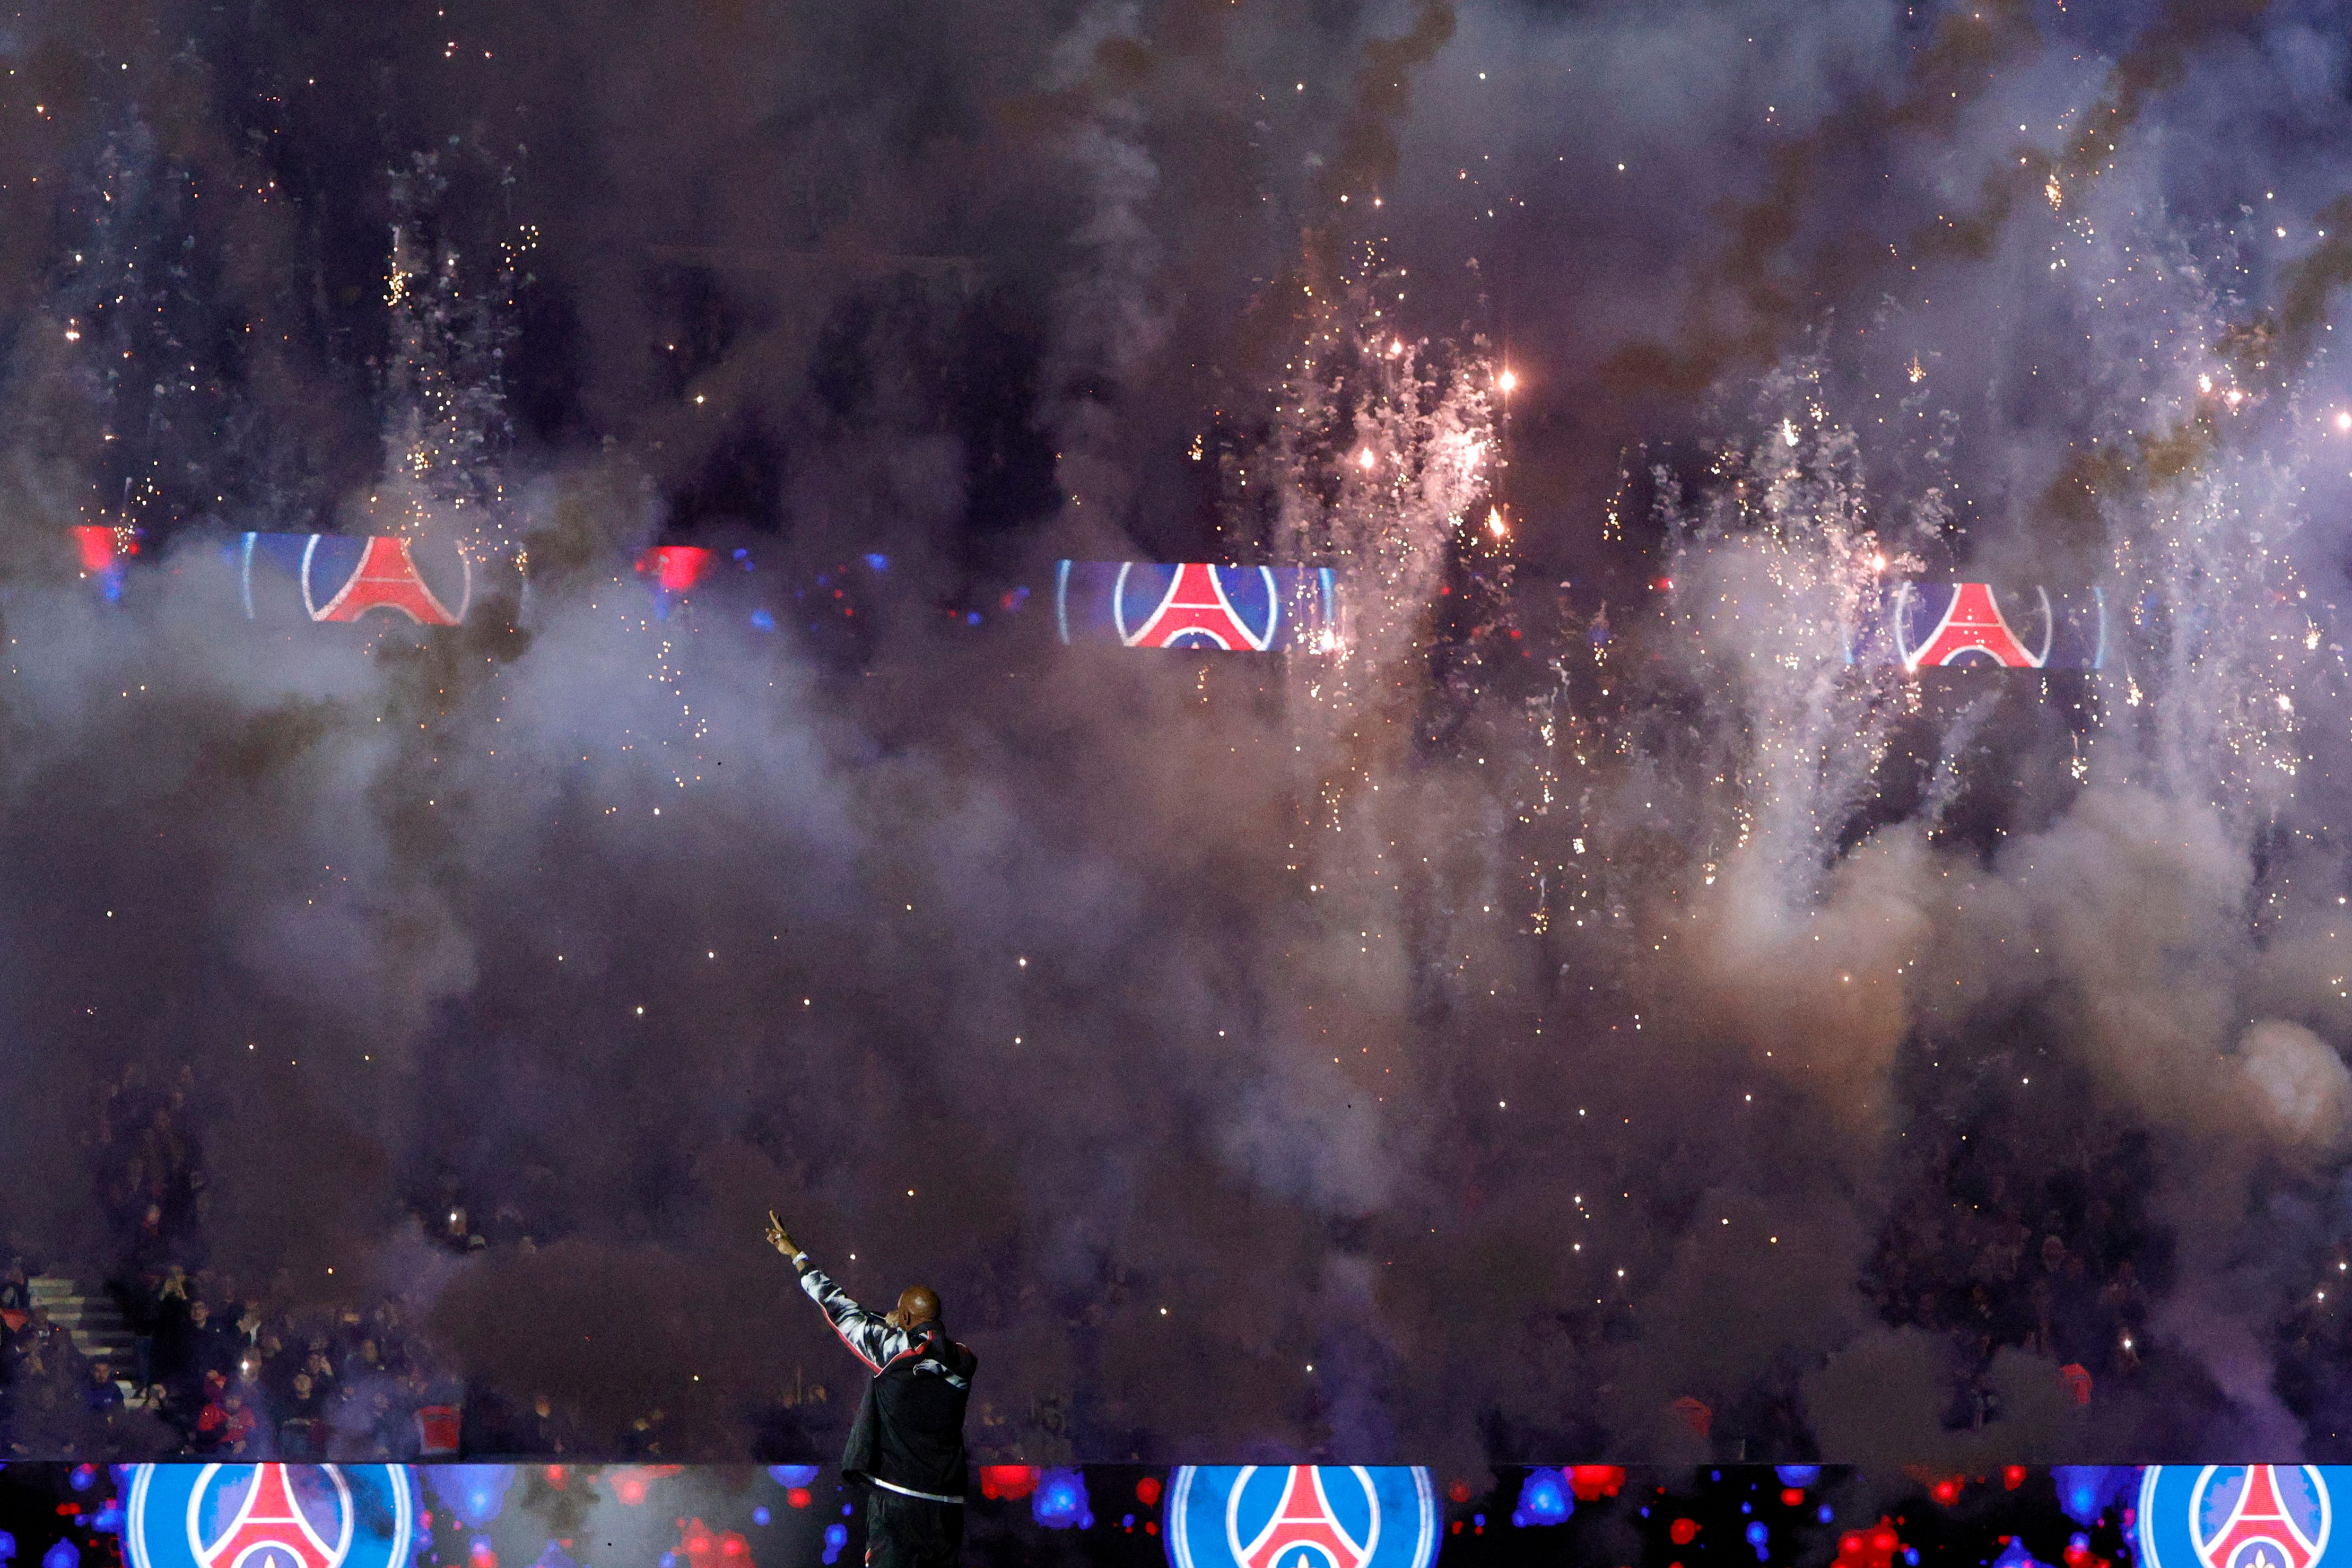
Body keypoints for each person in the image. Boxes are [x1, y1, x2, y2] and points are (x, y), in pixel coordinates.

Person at [766, 1211, 975, 1568]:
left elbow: (842, 1310)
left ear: (905, 1319)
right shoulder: (964, 1360)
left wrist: (796, 1256)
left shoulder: (894, 1354)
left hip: (897, 1501)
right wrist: (899, 1323)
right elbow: (926, 1342)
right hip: (946, 1503)